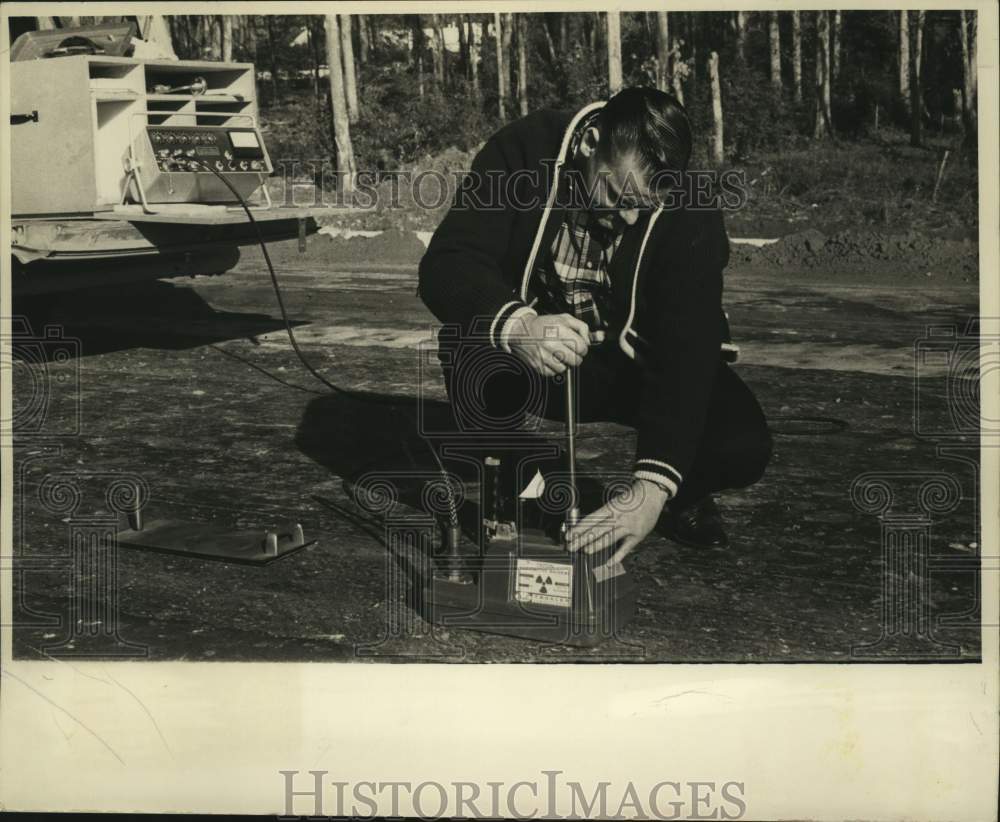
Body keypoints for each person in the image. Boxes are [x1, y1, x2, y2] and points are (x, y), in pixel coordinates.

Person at [418, 87, 772, 568]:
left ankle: (677, 496)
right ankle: (509, 477)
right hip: (534, 352)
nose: (626, 218)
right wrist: (520, 326)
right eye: (617, 196)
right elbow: (446, 264)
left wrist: (651, 486)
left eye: (641, 207)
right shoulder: (523, 151)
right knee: (468, 346)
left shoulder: (692, 206)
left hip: (628, 366)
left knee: (742, 443)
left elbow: (687, 350)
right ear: (589, 142)